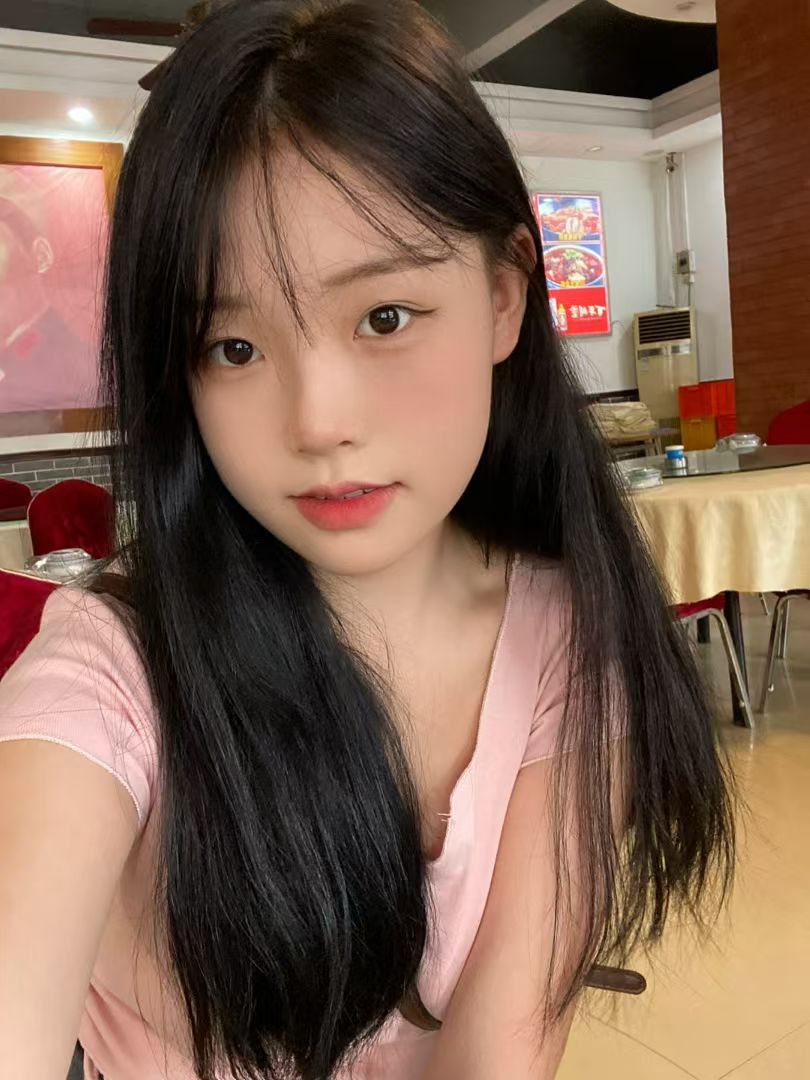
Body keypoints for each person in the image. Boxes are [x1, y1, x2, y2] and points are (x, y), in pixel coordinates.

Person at [0, 2, 735, 1078]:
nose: (318, 422)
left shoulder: (569, 638)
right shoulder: (115, 666)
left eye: (384, 317)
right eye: (233, 346)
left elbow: (497, 1054)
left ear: (503, 295)